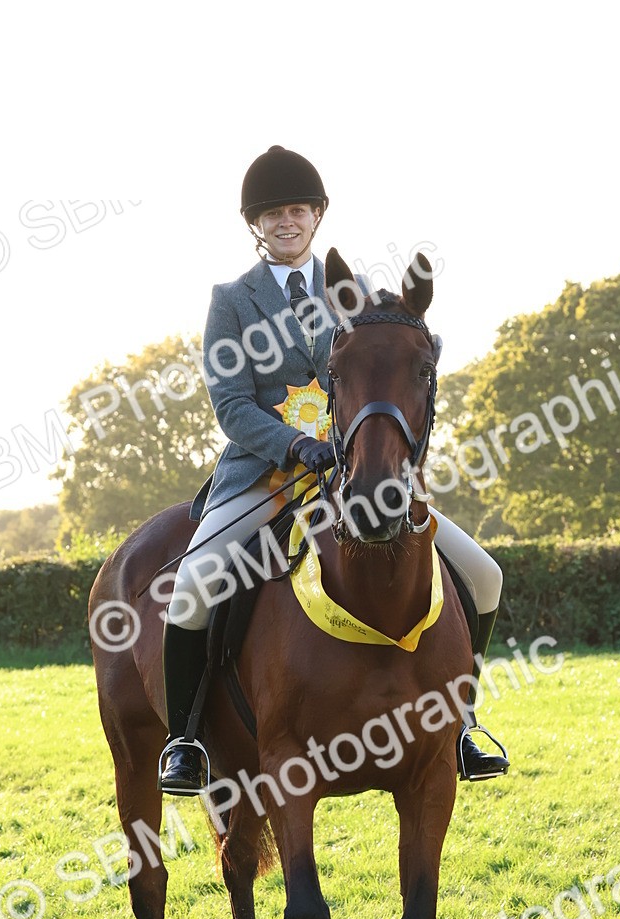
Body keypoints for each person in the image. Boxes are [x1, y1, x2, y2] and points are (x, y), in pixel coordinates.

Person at [159, 145, 509, 794]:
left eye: (297, 210)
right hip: (265, 478)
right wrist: (296, 445)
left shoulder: (355, 293)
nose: (286, 222)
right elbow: (231, 405)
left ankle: (461, 721)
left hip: (361, 474)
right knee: (195, 582)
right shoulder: (231, 301)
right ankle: (185, 741)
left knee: (484, 575)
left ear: (317, 215)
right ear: (255, 225)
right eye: (272, 214)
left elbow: (399, 367)